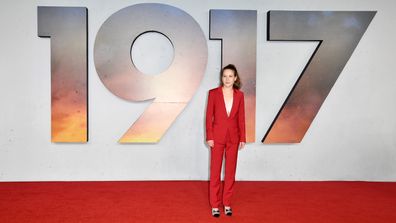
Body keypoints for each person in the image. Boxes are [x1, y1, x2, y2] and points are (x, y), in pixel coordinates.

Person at [205, 64, 246, 217]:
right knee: (215, 171)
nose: (227, 79)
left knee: (230, 172)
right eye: (224, 76)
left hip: (234, 138)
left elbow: (241, 118)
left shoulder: (240, 95)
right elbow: (209, 117)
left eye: (230, 76)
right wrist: (209, 136)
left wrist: (243, 137)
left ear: (235, 78)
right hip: (216, 137)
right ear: (221, 77)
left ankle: (227, 203)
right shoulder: (213, 94)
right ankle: (215, 205)